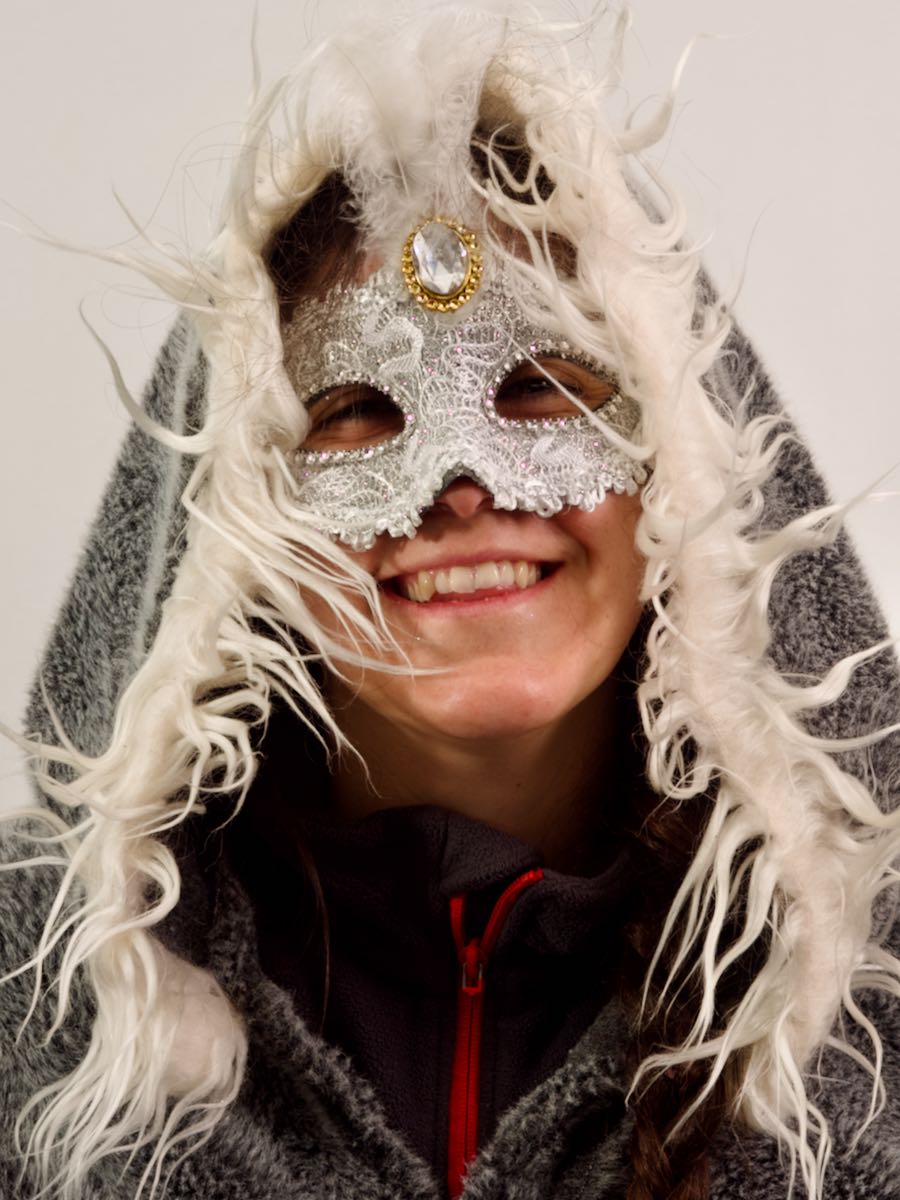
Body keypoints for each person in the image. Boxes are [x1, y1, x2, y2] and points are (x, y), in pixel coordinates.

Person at [2, 6, 899, 1199]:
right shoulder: (27, 1015)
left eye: (540, 386)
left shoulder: (873, 1033)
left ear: (683, 465)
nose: (461, 481)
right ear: (236, 510)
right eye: (357, 409)